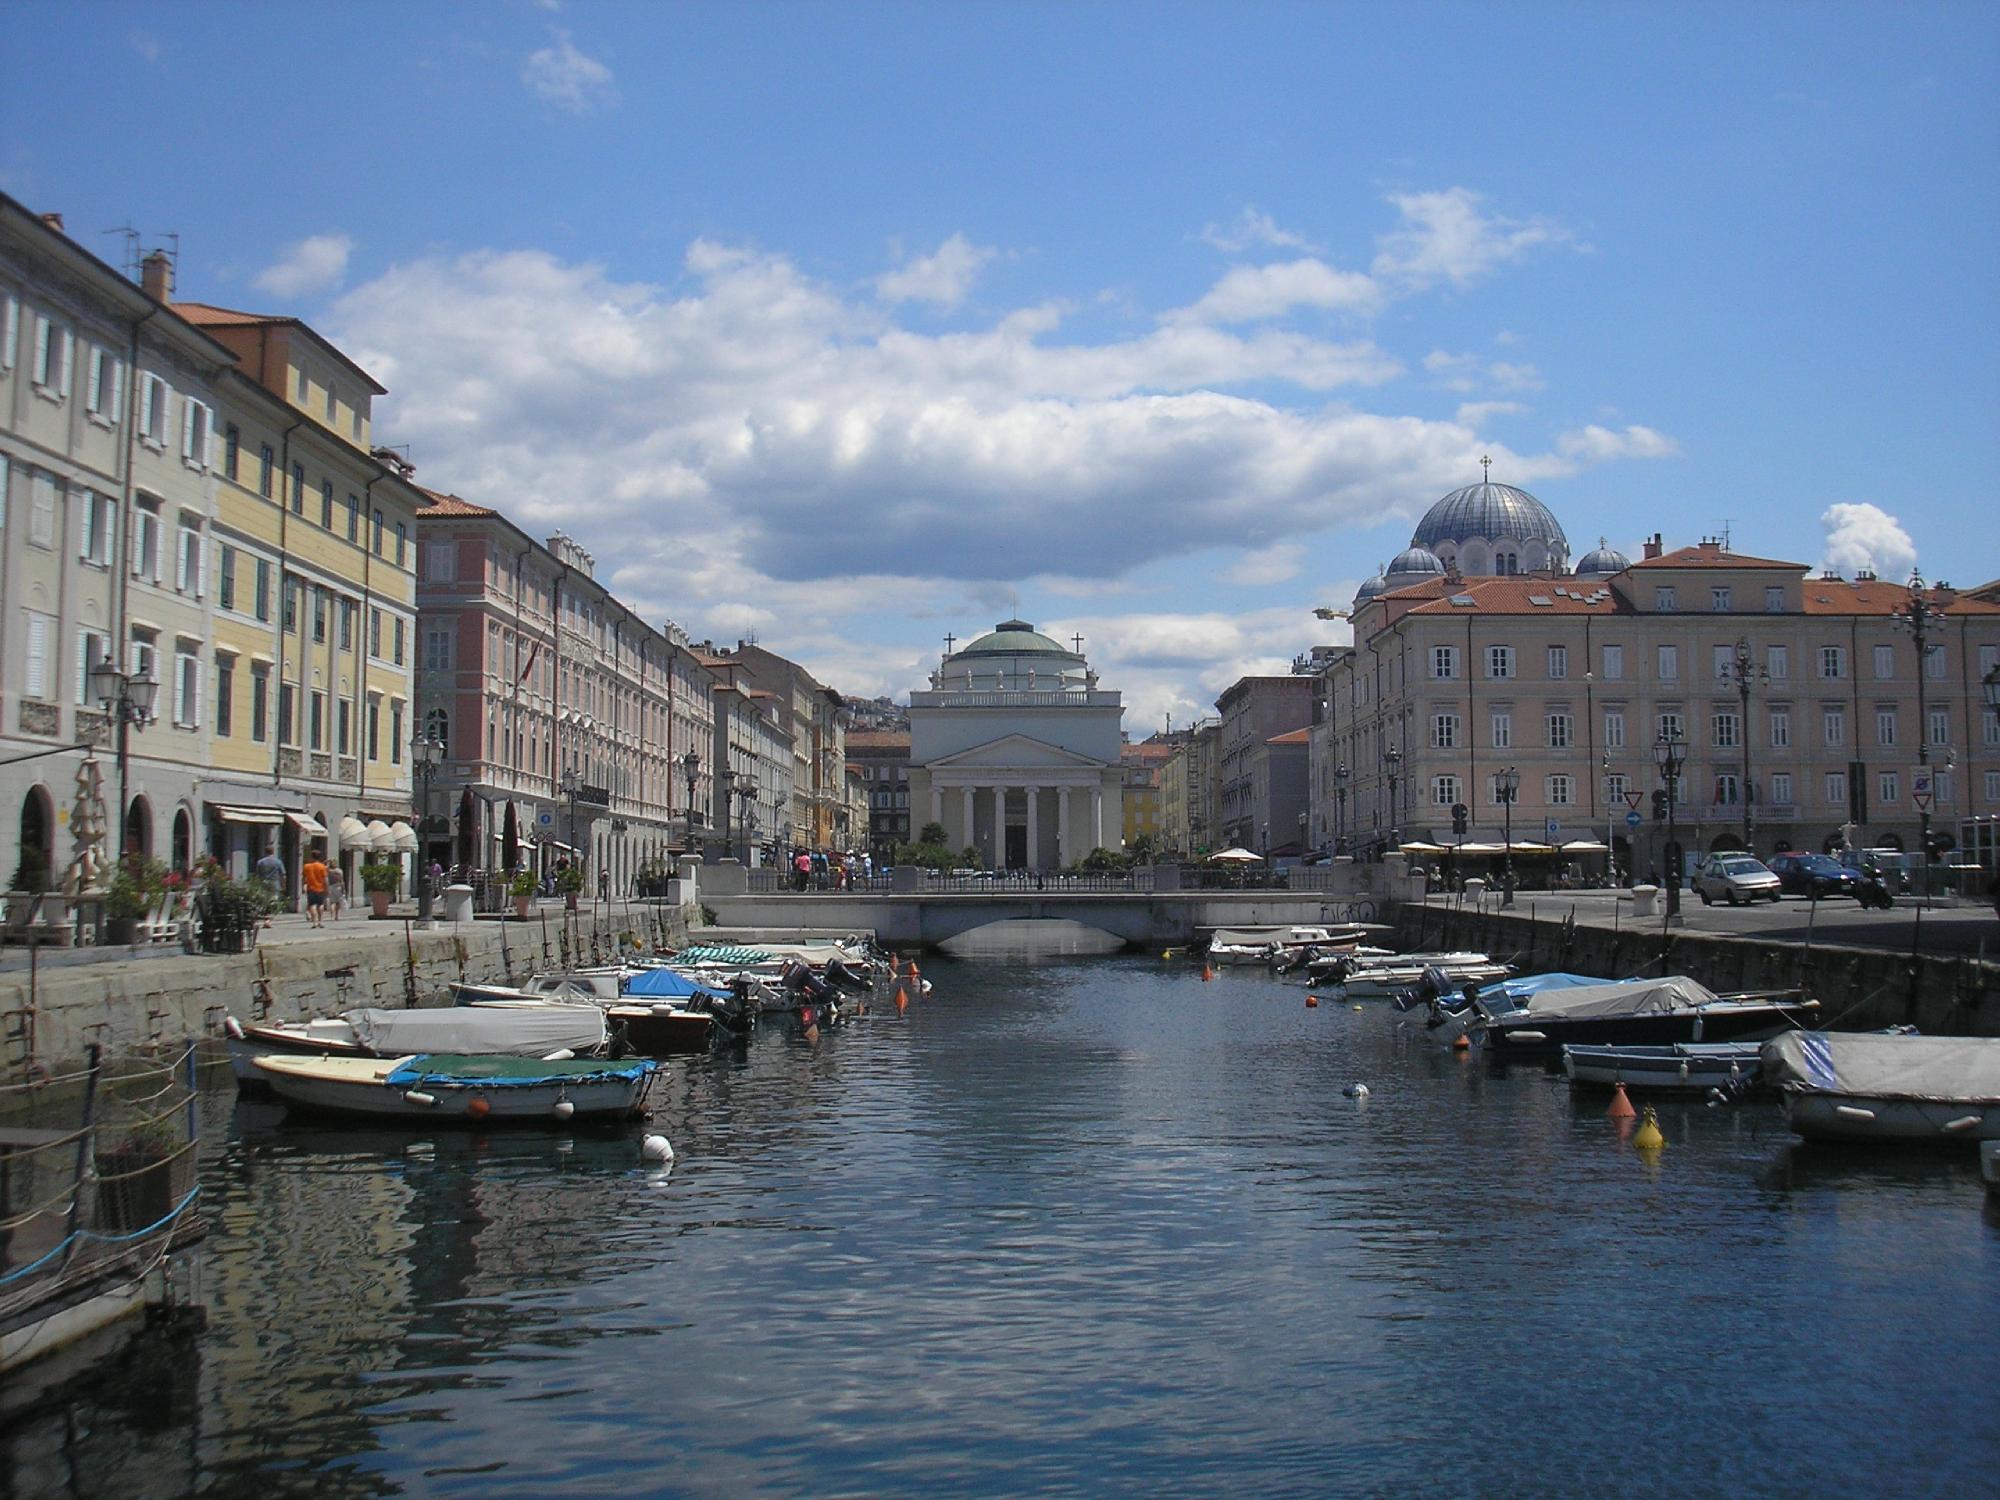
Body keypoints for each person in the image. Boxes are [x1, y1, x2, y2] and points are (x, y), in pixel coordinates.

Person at [301, 847, 329, 929]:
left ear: (311, 857)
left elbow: (303, 878)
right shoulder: (322, 866)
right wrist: (327, 889)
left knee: (312, 905)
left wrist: (303, 886)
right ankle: (320, 921)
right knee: (320, 904)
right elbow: (325, 879)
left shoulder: (306, 866)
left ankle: (314, 922)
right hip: (320, 888)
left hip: (311, 888)